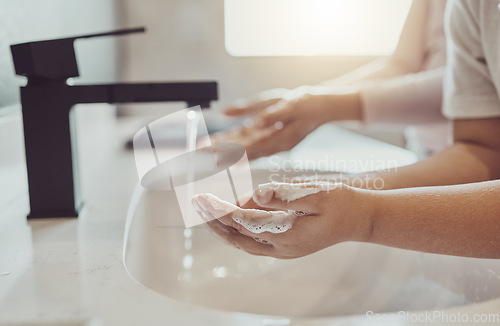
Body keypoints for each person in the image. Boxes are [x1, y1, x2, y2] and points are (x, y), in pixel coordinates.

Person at [193, 0, 500, 259]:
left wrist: (365, 216)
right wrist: (310, 103)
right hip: (446, 166)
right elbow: (480, 148)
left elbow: (454, 87)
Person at [211, 0, 449, 159]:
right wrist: (303, 99)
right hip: (422, 150)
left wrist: (324, 106)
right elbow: (402, 65)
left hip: (471, 162)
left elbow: (469, 88)